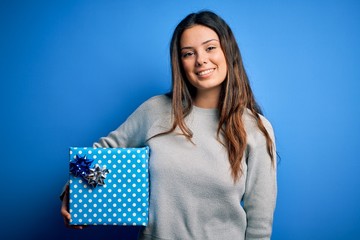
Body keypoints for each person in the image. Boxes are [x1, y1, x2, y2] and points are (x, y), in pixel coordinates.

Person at [61, 10, 277, 240]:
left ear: (228, 51)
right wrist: (72, 191)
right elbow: (101, 154)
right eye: (188, 53)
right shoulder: (155, 111)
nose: (201, 59)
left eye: (210, 47)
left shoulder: (255, 128)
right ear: (180, 63)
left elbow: (259, 224)